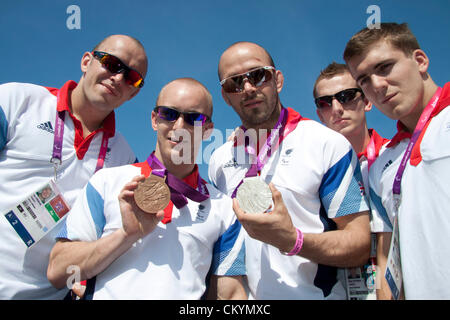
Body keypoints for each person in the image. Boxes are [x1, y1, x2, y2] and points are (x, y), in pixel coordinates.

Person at [47, 78, 247, 300]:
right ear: (154, 119)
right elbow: (58, 272)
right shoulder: (106, 182)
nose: (179, 126)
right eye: (169, 114)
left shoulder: (225, 209)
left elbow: (229, 295)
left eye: (194, 119)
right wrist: (125, 236)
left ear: (208, 130)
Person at [208, 41, 371, 299]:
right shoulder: (219, 160)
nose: (248, 88)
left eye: (258, 75)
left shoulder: (326, 144)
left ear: (278, 80)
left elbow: (359, 244)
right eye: (234, 83)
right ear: (226, 96)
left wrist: (292, 241)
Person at [0, 34, 148, 299]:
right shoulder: (16, 101)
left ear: (134, 93)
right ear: (86, 61)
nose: (118, 78)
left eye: (132, 78)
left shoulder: (125, 159)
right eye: (112, 64)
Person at [344, 22, 450, 299]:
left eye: (384, 67)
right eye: (364, 80)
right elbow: (386, 260)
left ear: (420, 61)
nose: (376, 85)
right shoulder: (383, 165)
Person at [313, 62, 390, 299]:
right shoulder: (313, 174)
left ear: (367, 101)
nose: (336, 108)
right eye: (325, 102)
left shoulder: (397, 158)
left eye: (346, 96)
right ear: (319, 114)